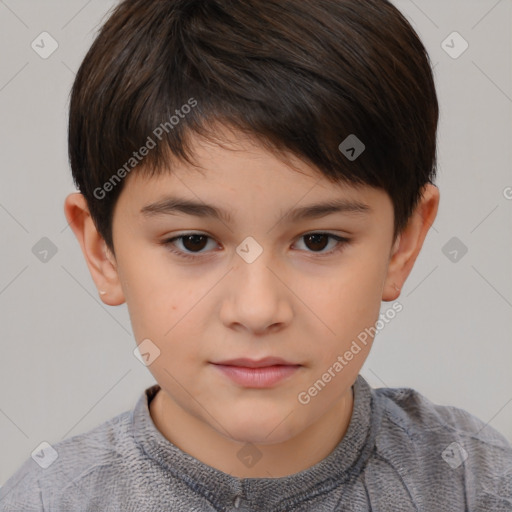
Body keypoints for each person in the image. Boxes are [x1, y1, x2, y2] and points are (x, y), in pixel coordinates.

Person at [1, 0, 511, 510]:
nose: (257, 310)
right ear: (102, 252)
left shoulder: (477, 486)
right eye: (193, 242)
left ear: (403, 243)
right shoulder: (49, 500)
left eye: (318, 240)